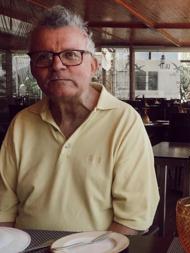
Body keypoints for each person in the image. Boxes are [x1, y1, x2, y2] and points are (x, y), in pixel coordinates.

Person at [0, 6, 159, 235]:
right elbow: (3, 213)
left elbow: (132, 219)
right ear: (33, 69)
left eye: (71, 55)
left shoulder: (124, 122)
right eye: (43, 57)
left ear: (93, 65)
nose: (56, 65)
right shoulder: (22, 124)